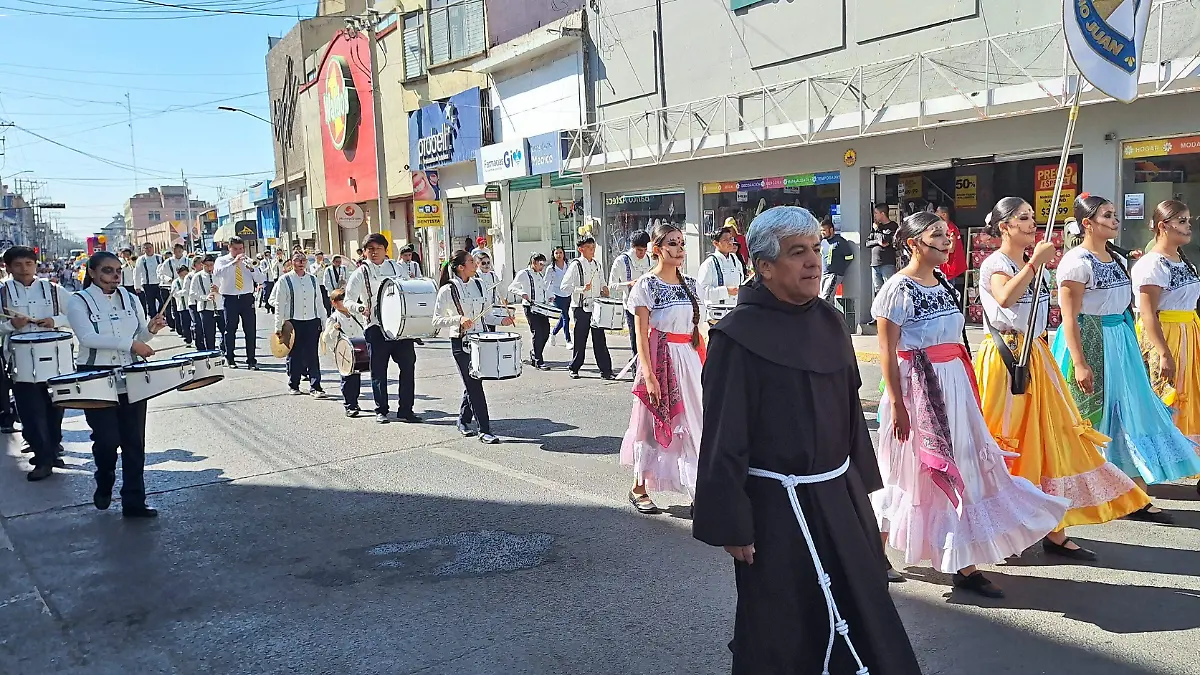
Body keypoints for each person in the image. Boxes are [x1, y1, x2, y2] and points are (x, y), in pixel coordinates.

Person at [693, 206, 921, 675]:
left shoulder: (830, 321)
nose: (814, 262)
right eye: (797, 253)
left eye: (816, 249)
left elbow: (849, 410)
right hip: (777, 505)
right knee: (785, 621)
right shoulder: (736, 337)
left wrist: (860, 487)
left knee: (861, 604)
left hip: (838, 494)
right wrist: (733, 522)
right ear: (764, 266)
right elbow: (723, 435)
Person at [872, 212, 1068, 598]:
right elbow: (886, 350)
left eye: (948, 236)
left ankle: (962, 562)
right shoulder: (897, 288)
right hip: (919, 389)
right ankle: (874, 554)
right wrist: (897, 404)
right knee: (905, 470)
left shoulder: (943, 282)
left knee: (966, 467)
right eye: (937, 237)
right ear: (913, 243)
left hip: (955, 386)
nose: (947, 242)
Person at [974, 197, 1149, 561]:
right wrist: (1036, 264)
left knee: (1051, 438)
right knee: (1005, 439)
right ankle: (999, 525)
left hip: (1037, 355)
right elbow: (1005, 298)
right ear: (1004, 227)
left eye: (1032, 218)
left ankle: (1054, 529)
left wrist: (1035, 266)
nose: (1030, 224)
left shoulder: (1028, 263)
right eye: (1022, 219)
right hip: (1009, 360)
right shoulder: (997, 262)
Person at [1051, 194, 1197, 523]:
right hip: (1091, 339)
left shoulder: (1114, 259)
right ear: (1087, 223)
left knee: (1130, 413)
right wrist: (1079, 361)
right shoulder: (1077, 263)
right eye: (1107, 215)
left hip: (1120, 340)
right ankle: (1086, 491)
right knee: (1090, 417)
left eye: (1115, 215)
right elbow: (1070, 317)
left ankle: (1131, 492)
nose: (1115, 221)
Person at [68, 251, 167, 518]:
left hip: (131, 373)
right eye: (108, 271)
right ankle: (104, 479)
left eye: (118, 271)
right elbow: (88, 338)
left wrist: (151, 329)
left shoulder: (131, 298)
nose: (114, 276)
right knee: (106, 439)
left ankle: (134, 501)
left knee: (134, 441)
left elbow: (140, 334)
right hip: (96, 375)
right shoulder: (79, 301)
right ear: (92, 273)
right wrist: (131, 344)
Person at [620, 222, 705, 515]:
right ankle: (639, 487)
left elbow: (697, 331)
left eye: (682, 243)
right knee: (650, 426)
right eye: (672, 243)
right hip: (659, 360)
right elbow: (641, 335)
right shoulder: (646, 285)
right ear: (657, 250)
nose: (679, 249)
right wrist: (649, 375)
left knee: (694, 425)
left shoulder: (692, 284)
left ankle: (698, 490)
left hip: (690, 362)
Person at [1133, 200, 1200, 496]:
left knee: (1192, 399)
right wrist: (1162, 352)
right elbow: (1148, 313)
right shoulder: (1151, 264)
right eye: (1181, 221)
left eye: (1188, 220)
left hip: (1189, 330)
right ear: (1163, 226)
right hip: (1166, 334)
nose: (1188, 226)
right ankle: (1149, 468)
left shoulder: (1185, 261)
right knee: (1167, 400)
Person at [0, 245, 73, 481]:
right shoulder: (2, 293)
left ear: (36, 265)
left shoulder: (53, 290)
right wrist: (12, 326)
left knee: (56, 410)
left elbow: (77, 314)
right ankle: (42, 460)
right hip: (21, 362)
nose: (24, 269)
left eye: (29, 264)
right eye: (18, 265)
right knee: (31, 414)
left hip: (56, 361)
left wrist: (55, 320)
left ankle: (52, 449)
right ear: (8, 267)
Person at [434, 250, 511, 444]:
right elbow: (436, 320)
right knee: (475, 385)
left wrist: (503, 321)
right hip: (461, 342)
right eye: (471, 261)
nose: (476, 264)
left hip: (481, 339)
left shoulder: (480, 284)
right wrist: (458, 319)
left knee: (475, 381)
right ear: (461, 267)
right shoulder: (447, 290)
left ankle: (463, 419)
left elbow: (487, 315)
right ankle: (484, 430)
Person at [345, 233, 422, 424]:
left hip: (400, 327)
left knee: (408, 366)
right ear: (364, 252)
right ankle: (381, 409)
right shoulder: (359, 273)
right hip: (375, 327)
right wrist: (361, 308)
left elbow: (408, 290)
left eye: (378, 248)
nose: (374, 252)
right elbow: (348, 300)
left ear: (385, 250)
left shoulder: (398, 268)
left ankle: (406, 409)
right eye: (370, 249)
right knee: (379, 370)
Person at [273, 250, 328, 397]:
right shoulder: (285, 280)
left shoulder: (312, 279)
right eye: (297, 260)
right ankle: (294, 384)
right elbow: (279, 303)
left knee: (312, 354)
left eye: (303, 260)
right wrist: (278, 326)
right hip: (293, 322)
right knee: (294, 354)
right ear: (291, 262)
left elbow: (319, 301)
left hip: (311, 320)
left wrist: (324, 321)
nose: (301, 263)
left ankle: (316, 386)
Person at [559, 237, 615, 380]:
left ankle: (606, 370)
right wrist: (580, 289)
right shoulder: (575, 265)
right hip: (580, 307)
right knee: (580, 339)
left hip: (596, 307)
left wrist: (604, 288)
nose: (592, 250)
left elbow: (602, 280)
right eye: (589, 248)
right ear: (581, 249)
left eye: (593, 247)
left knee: (600, 339)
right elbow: (564, 287)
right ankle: (574, 367)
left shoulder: (597, 264)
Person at [213, 237, 266, 369]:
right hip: (230, 298)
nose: (239, 251)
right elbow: (217, 273)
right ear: (229, 248)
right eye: (235, 249)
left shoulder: (248, 261)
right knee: (230, 329)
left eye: (241, 249)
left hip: (247, 298)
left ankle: (251, 360)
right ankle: (230, 357)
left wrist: (252, 269)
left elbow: (260, 279)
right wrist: (234, 263)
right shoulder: (222, 260)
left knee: (250, 330)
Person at [608, 231, 652, 356]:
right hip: (632, 307)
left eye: (644, 250)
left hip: (649, 306)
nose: (642, 253)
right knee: (636, 339)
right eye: (639, 250)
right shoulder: (621, 261)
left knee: (650, 340)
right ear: (632, 247)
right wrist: (629, 284)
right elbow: (612, 285)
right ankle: (636, 366)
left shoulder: (649, 259)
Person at [508, 252, 553, 370]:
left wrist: (550, 296)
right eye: (540, 264)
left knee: (546, 332)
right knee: (537, 332)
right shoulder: (523, 274)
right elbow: (512, 287)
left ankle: (535, 352)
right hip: (530, 307)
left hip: (542, 307)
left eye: (543, 264)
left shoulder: (540, 275)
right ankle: (539, 360)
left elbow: (544, 288)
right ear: (533, 263)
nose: (542, 267)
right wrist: (522, 293)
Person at [326, 288, 366, 417]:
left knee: (356, 377)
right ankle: (350, 405)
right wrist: (334, 330)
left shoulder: (354, 314)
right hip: (343, 352)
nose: (343, 303)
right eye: (340, 300)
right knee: (347, 378)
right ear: (333, 303)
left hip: (357, 350)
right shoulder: (333, 318)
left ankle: (354, 401)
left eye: (344, 300)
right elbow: (326, 338)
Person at [697, 224, 746, 327]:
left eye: (731, 239)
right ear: (716, 243)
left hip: (735, 313)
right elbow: (702, 291)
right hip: (717, 316)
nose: (730, 242)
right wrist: (726, 291)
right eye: (726, 240)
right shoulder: (709, 264)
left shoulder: (735, 260)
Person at [819, 216, 855, 306]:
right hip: (823, 274)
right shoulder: (823, 242)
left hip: (833, 275)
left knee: (826, 298)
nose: (822, 233)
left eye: (824, 230)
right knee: (823, 298)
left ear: (831, 230)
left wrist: (839, 269)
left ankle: (827, 319)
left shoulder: (840, 242)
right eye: (821, 230)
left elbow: (849, 256)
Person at [936, 205, 968, 305]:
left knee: (949, 291)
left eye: (938, 213)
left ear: (944, 214)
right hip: (946, 264)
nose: (936, 215)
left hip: (950, 264)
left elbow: (951, 248)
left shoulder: (951, 230)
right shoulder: (946, 227)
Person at [187, 255, 219, 352]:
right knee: (209, 334)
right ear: (202, 265)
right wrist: (205, 297)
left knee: (225, 331)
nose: (209, 268)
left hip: (219, 307)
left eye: (211, 265)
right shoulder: (197, 276)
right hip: (205, 309)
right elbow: (192, 293)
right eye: (207, 265)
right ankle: (211, 353)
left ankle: (225, 351)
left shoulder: (218, 274)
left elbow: (227, 289)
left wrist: (218, 290)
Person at [866, 204, 897, 298]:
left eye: (876, 213)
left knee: (889, 288)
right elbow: (867, 243)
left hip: (887, 263)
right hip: (875, 263)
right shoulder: (876, 228)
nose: (874, 216)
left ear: (882, 214)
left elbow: (884, 240)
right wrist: (878, 242)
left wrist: (877, 229)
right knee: (878, 290)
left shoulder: (892, 226)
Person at [156, 243, 189, 331]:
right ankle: (177, 326)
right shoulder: (168, 262)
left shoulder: (187, 261)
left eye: (179, 250)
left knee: (185, 308)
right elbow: (160, 274)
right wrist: (168, 279)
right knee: (175, 307)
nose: (177, 252)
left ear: (182, 251)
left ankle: (186, 328)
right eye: (175, 251)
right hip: (172, 286)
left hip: (185, 286)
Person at [546, 246, 572, 346]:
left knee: (563, 317)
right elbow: (546, 283)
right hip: (556, 295)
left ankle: (553, 333)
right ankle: (568, 340)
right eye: (556, 253)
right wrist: (549, 295)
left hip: (567, 294)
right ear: (553, 255)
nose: (559, 255)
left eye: (560, 253)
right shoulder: (551, 268)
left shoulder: (568, 265)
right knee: (565, 316)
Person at [133, 242, 162, 319]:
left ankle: (160, 315)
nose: (148, 249)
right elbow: (137, 273)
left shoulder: (159, 258)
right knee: (150, 303)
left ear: (153, 248)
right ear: (143, 250)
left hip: (159, 284)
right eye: (146, 248)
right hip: (147, 284)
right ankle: (153, 318)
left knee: (163, 301)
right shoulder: (141, 259)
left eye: (150, 247)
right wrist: (137, 286)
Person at [167, 265, 193, 347]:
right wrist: (184, 292)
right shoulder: (176, 282)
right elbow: (174, 294)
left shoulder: (191, 279)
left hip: (192, 305)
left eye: (185, 273)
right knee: (185, 324)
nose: (184, 276)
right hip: (182, 305)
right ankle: (188, 339)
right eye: (182, 274)